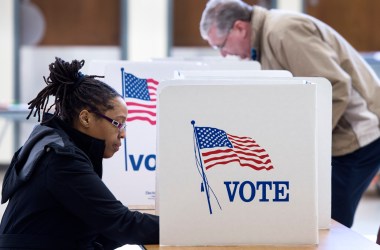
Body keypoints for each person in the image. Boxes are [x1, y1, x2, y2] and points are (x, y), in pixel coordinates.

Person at [200, 0, 380, 231]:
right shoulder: (265, 40)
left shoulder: (284, 31)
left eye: (221, 46)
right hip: (339, 137)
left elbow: (334, 87)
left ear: (240, 28)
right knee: (312, 220)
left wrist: (303, 147)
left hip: (359, 136)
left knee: (327, 224)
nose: (225, 55)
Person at [0, 58, 159, 249]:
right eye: (118, 123)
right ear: (85, 118)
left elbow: (102, 226)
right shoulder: (62, 160)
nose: (123, 134)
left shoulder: (53, 144)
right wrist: (184, 227)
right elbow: (122, 223)